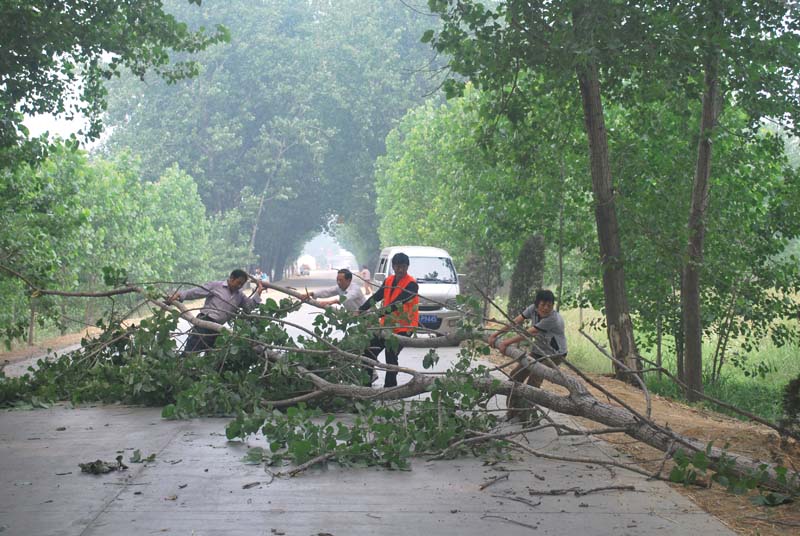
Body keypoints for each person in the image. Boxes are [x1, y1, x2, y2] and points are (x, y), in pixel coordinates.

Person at [487, 289, 567, 418]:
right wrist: (495, 334)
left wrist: (506, 342)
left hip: (555, 355)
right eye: (543, 305)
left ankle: (527, 415)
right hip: (538, 350)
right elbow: (515, 322)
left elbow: (529, 333)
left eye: (550, 306)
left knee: (533, 382)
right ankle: (512, 412)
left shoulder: (553, 319)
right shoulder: (532, 309)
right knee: (516, 375)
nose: (546, 308)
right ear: (536, 304)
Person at [357, 253, 419, 387]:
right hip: (386, 326)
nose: (400, 270)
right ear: (393, 266)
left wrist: (375, 315)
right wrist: (361, 309)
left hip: (404, 328)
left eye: (403, 267)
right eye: (397, 266)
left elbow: (396, 304)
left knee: (390, 355)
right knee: (368, 352)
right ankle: (365, 387)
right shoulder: (389, 280)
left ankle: (390, 388)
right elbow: (377, 296)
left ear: (407, 267)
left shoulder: (412, 285)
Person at [168, 269, 264, 354]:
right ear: (231, 278)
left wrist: (259, 291)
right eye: (238, 283)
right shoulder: (216, 286)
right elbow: (196, 292)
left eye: (241, 285)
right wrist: (180, 295)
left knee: (211, 355)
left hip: (218, 328)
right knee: (190, 351)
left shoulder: (240, 296)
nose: (239, 286)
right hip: (204, 322)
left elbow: (249, 307)